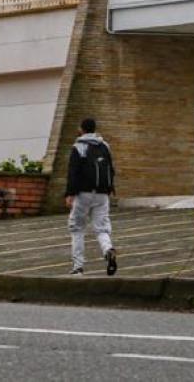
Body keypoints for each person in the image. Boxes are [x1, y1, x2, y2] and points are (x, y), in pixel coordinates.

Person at [65, 117, 117, 276]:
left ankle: (78, 267)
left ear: (81, 129)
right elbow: (111, 169)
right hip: (102, 193)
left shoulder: (78, 147)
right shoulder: (105, 146)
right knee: (102, 228)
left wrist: (70, 194)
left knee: (77, 228)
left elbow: (73, 172)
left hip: (83, 193)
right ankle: (108, 249)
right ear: (94, 129)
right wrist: (110, 189)